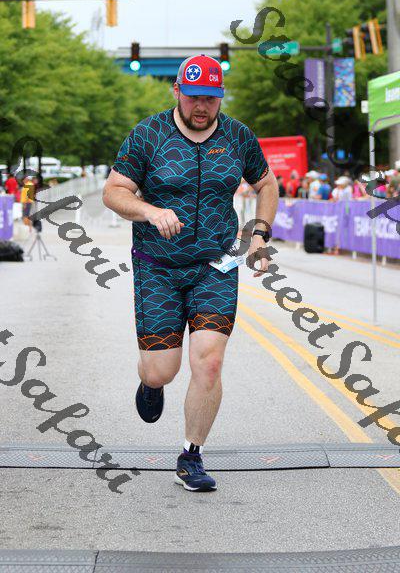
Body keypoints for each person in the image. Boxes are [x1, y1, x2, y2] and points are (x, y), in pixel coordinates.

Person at [103, 54, 279, 492]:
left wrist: (259, 234)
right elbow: (114, 191)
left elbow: (266, 183)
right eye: (194, 97)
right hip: (158, 268)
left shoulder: (238, 136)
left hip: (216, 265)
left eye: (211, 99)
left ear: (221, 97)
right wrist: (149, 210)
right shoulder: (149, 134)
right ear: (177, 91)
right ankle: (151, 383)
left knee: (210, 361)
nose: (202, 107)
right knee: (161, 370)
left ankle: (191, 455)